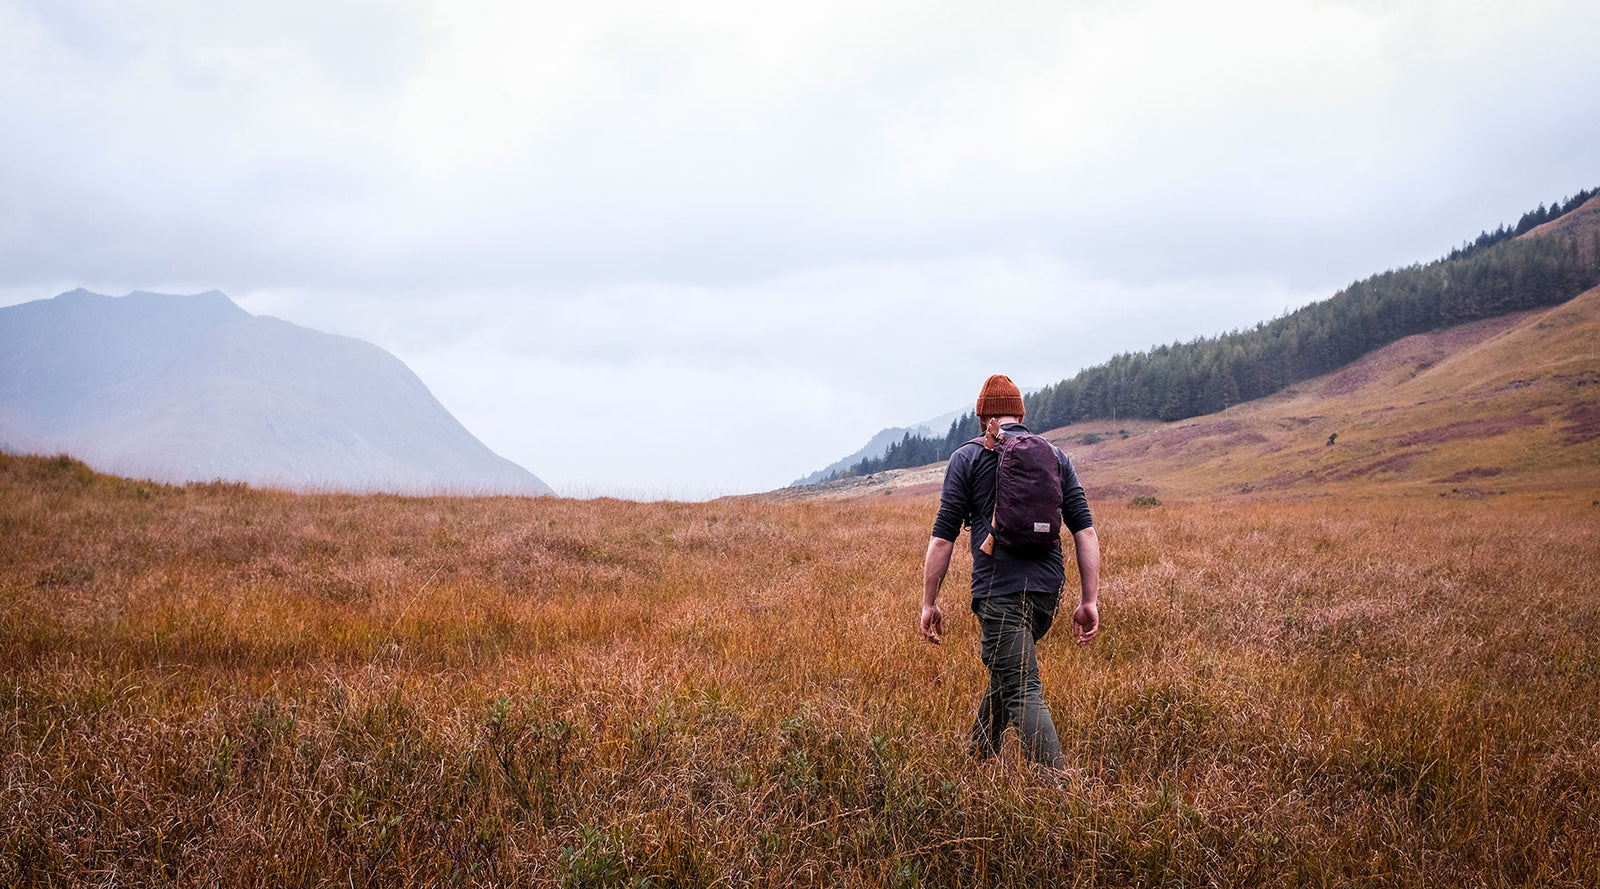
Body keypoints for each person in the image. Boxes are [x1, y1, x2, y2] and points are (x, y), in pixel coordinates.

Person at [919, 374, 1100, 770]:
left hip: (1000, 595)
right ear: (1021, 413)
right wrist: (1089, 601)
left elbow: (942, 539)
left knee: (1023, 690)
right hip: (1047, 594)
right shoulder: (1055, 456)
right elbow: (1084, 530)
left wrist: (928, 603)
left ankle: (1061, 800)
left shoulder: (966, 458)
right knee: (1008, 674)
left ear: (983, 417)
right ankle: (978, 764)